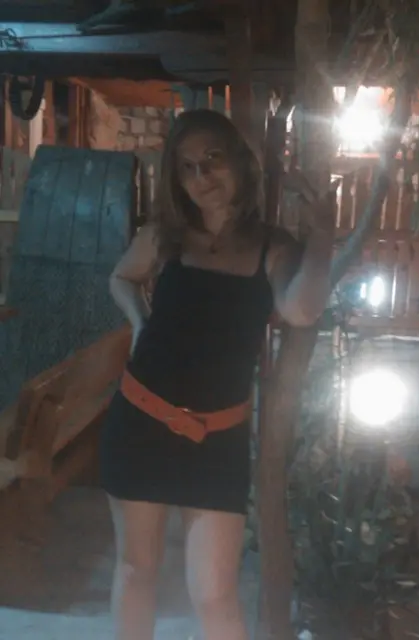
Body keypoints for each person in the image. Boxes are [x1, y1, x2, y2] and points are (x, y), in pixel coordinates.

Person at [100, 108, 335, 640]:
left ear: (239, 162)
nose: (202, 176)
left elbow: (302, 309)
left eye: (212, 158)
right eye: (187, 167)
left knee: (214, 593)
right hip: (139, 422)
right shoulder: (166, 236)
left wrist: (323, 234)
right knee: (135, 570)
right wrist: (140, 321)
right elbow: (121, 277)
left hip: (218, 439)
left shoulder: (272, 246)